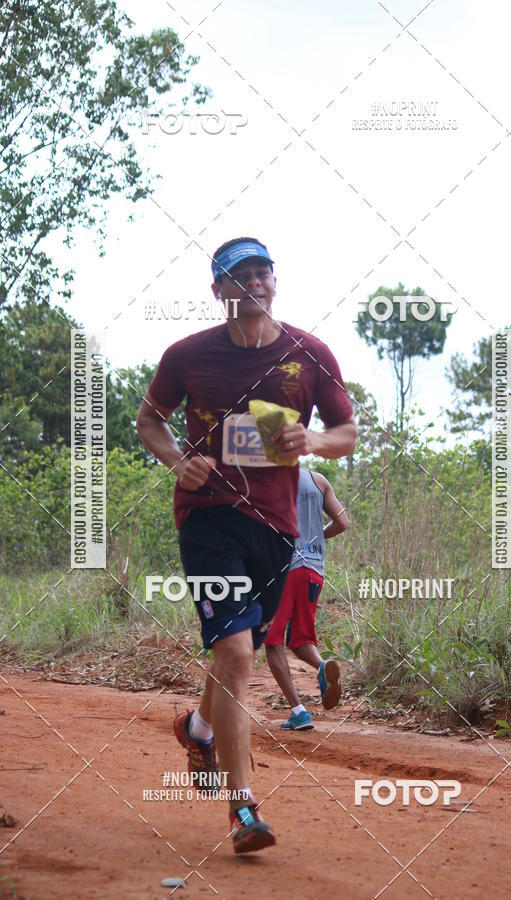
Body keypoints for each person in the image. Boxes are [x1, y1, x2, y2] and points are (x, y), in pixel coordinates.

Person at [136, 237, 357, 854]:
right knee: (236, 652)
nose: (254, 283)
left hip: (277, 530)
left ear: (274, 281)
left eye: (263, 272)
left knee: (235, 656)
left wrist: (311, 441)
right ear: (219, 292)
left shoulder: (309, 354)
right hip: (207, 518)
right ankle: (243, 810)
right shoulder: (187, 355)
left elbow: (348, 432)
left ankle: (199, 728)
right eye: (240, 276)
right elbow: (149, 417)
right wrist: (177, 461)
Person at [264, 468, 348, 730]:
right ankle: (323, 666)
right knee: (300, 640)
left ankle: (299, 712)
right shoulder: (319, 480)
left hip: (284, 572)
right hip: (314, 572)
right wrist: (314, 538)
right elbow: (343, 522)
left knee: (272, 642)